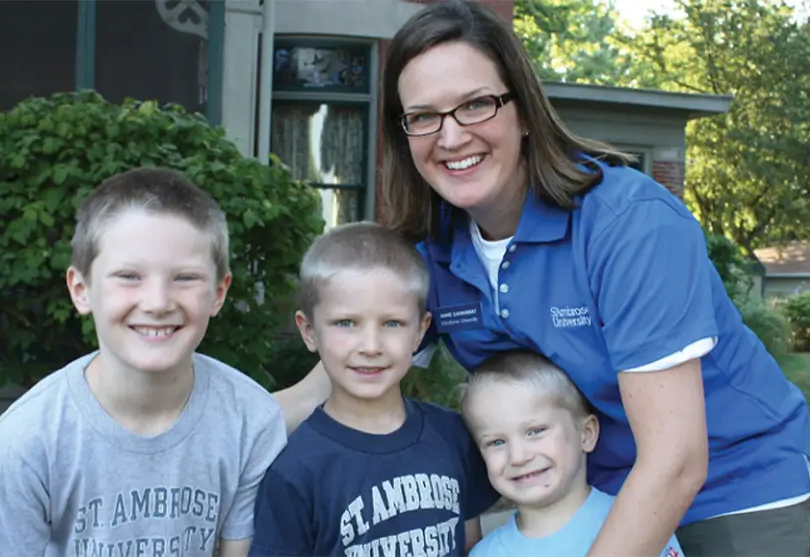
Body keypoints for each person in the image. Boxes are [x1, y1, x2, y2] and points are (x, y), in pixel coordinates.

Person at [272, 1, 810, 555]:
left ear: (524, 111)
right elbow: (323, 391)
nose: (451, 137)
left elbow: (676, 461)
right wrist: (200, 421)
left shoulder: (629, 225)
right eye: (424, 116)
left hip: (736, 493)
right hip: (584, 499)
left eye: (476, 105)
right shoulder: (431, 251)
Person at [0, 167, 286, 557]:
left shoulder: (250, 421)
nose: (158, 302)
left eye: (185, 278)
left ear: (218, 293)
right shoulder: (30, 437)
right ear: (81, 290)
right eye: (129, 276)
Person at [250, 222, 499, 556]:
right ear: (308, 331)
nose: (370, 346)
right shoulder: (295, 469)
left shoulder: (452, 436)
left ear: (420, 331)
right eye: (346, 323)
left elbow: (470, 544)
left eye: (392, 323)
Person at [462, 351, 684, 557]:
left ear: (586, 434)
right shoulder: (486, 554)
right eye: (497, 442)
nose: (518, 456)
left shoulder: (641, 523)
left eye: (536, 431)